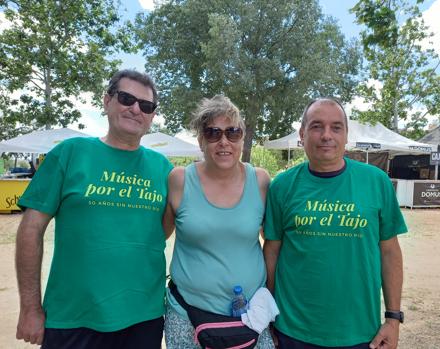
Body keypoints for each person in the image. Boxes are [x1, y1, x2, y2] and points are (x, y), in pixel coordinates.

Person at [15, 69, 173, 349]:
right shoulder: (70, 153)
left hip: (144, 317)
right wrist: (30, 308)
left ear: (151, 116)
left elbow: (162, 229)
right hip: (73, 317)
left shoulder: (163, 169)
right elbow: (31, 229)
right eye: (126, 98)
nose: (135, 109)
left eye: (146, 105)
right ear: (107, 101)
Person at [263, 98, 406, 349]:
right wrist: (269, 316)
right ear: (302, 133)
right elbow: (272, 253)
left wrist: (393, 319)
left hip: (360, 332)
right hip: (293, 331)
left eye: (336, 127)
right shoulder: (282, 186)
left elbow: (390, 252)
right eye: (317, 126)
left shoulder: (376, 181)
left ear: (346, 135)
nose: (326, 135)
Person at [162, 95, 275, 348]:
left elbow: (273, 244)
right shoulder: (179, 180)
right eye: (213, 133)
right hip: (187, 315)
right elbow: (159, 236)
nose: (223, 141)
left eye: (232, 132)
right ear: (201, 140)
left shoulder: (261, 181)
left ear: (242, 138)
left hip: (250, 316)